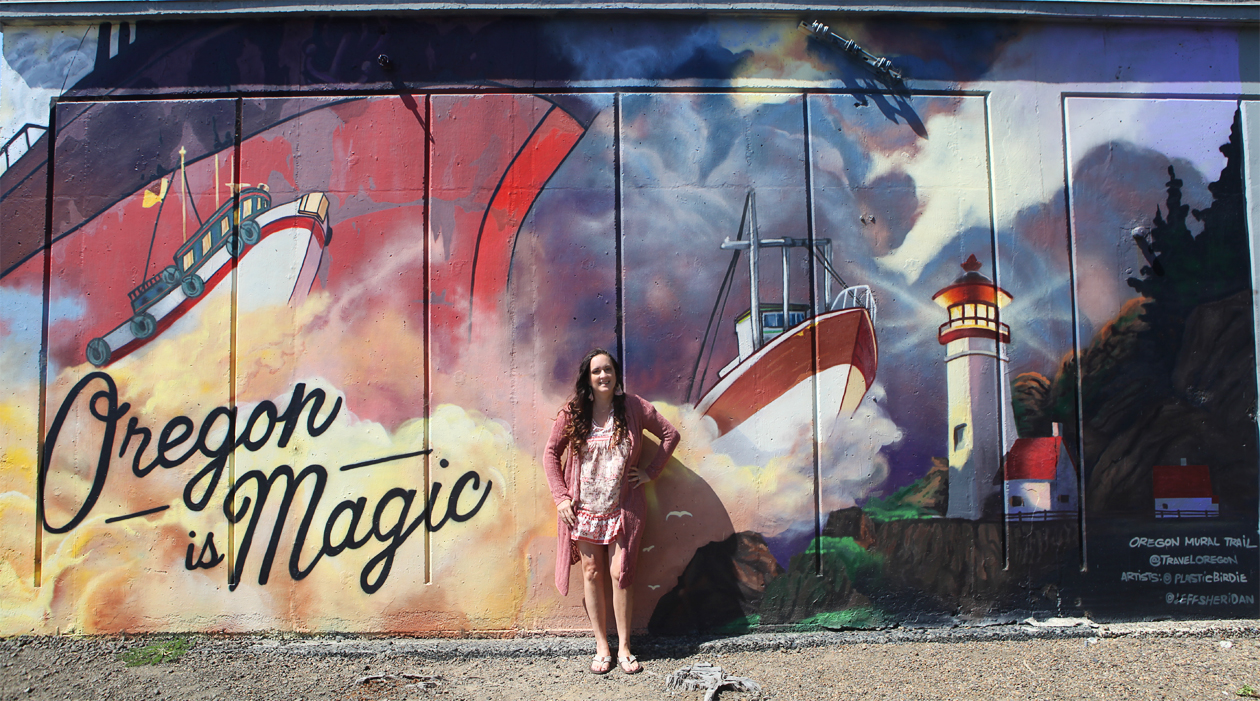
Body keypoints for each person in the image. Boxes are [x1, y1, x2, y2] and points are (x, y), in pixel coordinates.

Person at [542, 348, 680, 675]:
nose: (603, 376)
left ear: (616, 375)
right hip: (584, 510)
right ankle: (601, 646)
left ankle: (625, 648)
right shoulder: (574, 412)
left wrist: (651, 471)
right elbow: (550, 453)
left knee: (621, 574)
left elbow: (670, 435)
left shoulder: (632, 407)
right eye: (596, 371)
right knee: (591, 573)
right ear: (587, 378)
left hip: (622, 510)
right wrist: (561, 497)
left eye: (608, 370)